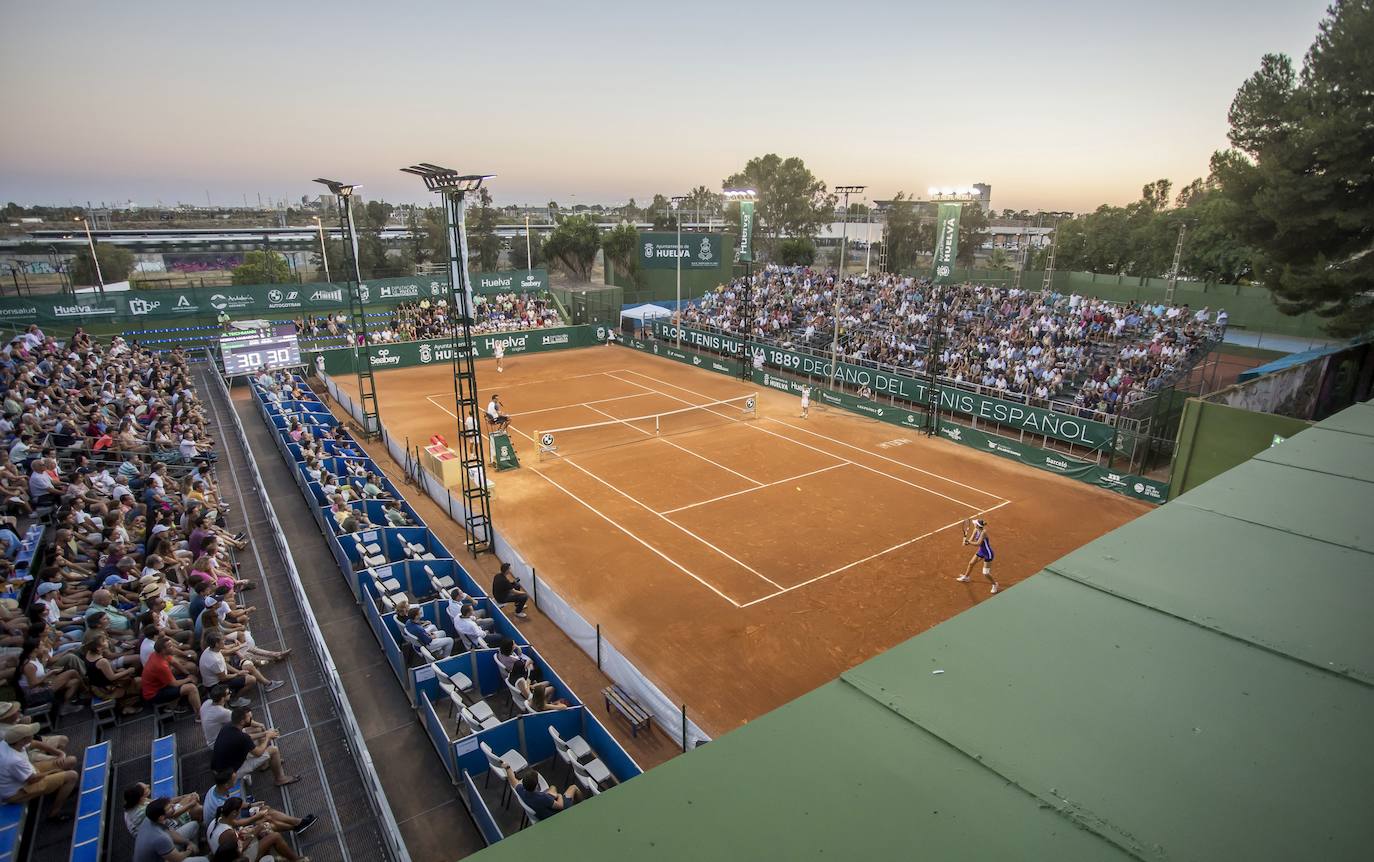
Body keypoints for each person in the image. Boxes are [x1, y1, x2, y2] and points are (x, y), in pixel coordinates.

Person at [1, 723, 78, 822]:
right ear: (22, 740)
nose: (33, 734)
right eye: (30, 734)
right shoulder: (14, 760)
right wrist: (53, 771)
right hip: (19, 791)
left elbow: (34, 743)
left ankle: (57, 788)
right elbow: (32, 779)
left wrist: (60, 753)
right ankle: (54, 813)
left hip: (29, 772)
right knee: (72, 776)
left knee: (70, 760)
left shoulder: (8, 742)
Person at [211, 706, 298, 787]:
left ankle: (265, 764)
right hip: (230, 774)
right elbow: (258, 753)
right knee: (273, 750)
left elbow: (247, 738)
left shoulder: (228, 727)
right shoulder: (242, 737)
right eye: (249, 718)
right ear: (242, 721)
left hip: (219, 767)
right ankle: (280, 779)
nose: (251, 719)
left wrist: (265, 733)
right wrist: (268, 737)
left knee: (258, 738)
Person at [207, 797, 309, 862]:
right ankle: (296, 859)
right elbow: (240, 850)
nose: (239, 814)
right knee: (274, 836)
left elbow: (237, 824)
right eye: (239, 812)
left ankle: (296, 825)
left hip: (233, 850)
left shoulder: (220, 819)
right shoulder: (227, 834)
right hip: (240, 857)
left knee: (265, 822)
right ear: (234, 813)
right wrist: (255, 831)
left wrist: (255, 820)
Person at [133, 797, 209, 862]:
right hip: (169, 858)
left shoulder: (150, 819)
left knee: (194, 825)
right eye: (169, 808)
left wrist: (188, 842)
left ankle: (194, 853)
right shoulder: (160, 838)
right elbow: (178, 858)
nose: (173, 806)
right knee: (204, 860)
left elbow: (170, 833)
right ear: (161, 817)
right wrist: (189, 850)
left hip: (162, 852)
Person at [123, 781, 202, 843]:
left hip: (163, 823)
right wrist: (191, 804)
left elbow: (163, 803)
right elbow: (172, 814)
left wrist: (184, 796)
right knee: (197, 809)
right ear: (140, 796)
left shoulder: (139, 801)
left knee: (191, 799)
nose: (148, 785)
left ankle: (198, 836)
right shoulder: (142, 812)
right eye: (145, 788)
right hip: (163, 834)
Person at [142, 636, 202, 715]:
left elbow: (174, 663)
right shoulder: (160, 665)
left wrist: (187, 674)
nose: (173, 647)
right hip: (154, 694)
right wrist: (189, 679)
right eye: (170, 646)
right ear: (163, 650)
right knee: (191, 688)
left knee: (188, 675)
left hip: (161, 685)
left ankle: (176, 703)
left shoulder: (160, 654)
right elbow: (174, 683)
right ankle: (200, 715)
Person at [504, 763, 578, 821]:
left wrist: (507, 767)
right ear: (536, 786)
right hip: (554, 815)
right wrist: (559, 796)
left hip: (540, 811)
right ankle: (582, 804)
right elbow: (560, 806)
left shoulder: (521, 790)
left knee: (553, 787)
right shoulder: (543, 797)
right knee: (573, 787)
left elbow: (512, 779)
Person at [956, 518, 1001, 594]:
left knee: (985, 573)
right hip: (981, 551)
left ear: (977, 525)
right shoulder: (975, 530)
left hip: (988, 553)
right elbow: (971, 540)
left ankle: (995, 584)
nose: (974, 524)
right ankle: (966, 577)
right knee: (971, 563)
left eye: (975, 523)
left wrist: (968, 542)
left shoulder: (984, 532)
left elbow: (978, 543)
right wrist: (966, 542)